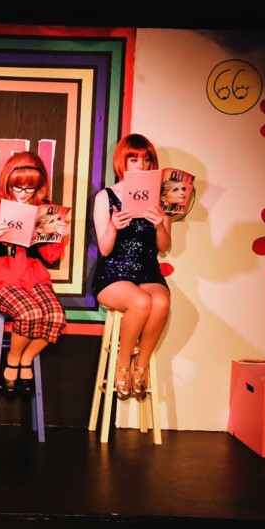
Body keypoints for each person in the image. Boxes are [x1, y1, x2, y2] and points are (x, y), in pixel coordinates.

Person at [0, 151, 67, 393]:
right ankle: (12, 360)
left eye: (30, 189)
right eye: (18, 188)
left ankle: (25, 359)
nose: (24, 194)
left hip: (34, 276)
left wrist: (59, 236)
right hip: (0, 277)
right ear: (8, 182)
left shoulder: (44, 209)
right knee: (30, 313)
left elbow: (51, 256)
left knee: (56, 317)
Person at [91, 133, 171, 400]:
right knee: (140, 302)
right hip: (114, 272)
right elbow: (104, 249)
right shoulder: (106, 197)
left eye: (146, 159)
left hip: (147, 270)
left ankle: (142, 365)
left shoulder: (160, 199)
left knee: (160, 302)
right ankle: (122, 365)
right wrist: (114, 227)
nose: (141, 165)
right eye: (134, 158)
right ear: (122, 161)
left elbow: (164, 246)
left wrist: (160, 224)